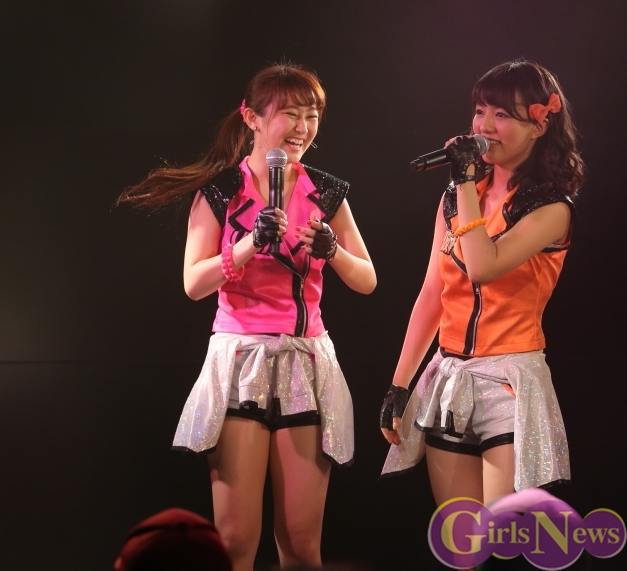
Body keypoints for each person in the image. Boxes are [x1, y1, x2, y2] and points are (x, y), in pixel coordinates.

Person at [119, 63, 376, 570]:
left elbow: (366, 278)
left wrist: (332, 251)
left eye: (312, 115)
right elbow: (194, 283)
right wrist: (248, 243)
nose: (302, 127)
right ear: (252, 117)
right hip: (241, 359)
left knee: (301, 543)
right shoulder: (221, 189)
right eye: (290, 114)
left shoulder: (326, 192)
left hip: (305, 359)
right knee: (235, 541)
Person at [379, 60, 584, 511]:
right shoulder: (456, 196)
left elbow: (482, 267)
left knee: (502, 535)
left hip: (510, 382)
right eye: (479, 111)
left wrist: (464, 181)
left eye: (502, 114)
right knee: (462, 537)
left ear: (539, 126)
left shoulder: (552, 208)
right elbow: (433, 292)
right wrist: (400, 384)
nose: (484, 126)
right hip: (449, 376)